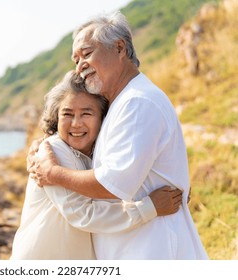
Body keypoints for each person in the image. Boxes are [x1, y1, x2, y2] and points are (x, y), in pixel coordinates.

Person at [30, 11, 208, 259]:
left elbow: (110, 183)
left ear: (119, 48)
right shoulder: (120, 104)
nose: (80, 65)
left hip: (152, 250)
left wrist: (53, 173)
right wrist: (47, 144)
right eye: (76, 59)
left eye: (87, 53)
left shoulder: (137, 103)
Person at [11, 71, 182, 260]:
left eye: (86, 113)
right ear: (56, 118)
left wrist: (171, 186)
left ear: (103, 118)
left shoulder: (97, 155)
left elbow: (119, 184)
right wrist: (149, 208)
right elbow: (83, 213)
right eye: (67, 114)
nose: (76, 124)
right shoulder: (53, 152)